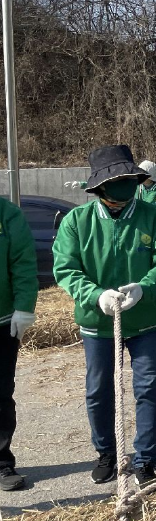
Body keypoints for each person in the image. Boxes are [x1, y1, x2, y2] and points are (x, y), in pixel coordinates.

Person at [52, 145, 156, 488]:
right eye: (116, 181)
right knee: (98, 390)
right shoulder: (77, 222)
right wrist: (96, 295)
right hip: (97, 322)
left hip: (148, 320)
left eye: (128, 179)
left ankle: (145, 460)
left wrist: (144, 288)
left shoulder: (155, 217)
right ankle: (106, 453)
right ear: (99, 186)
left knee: (149, 387)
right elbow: (66, 269)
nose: (123, 186)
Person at [0, 196, 37, 491]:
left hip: (1, 321)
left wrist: (24, 306)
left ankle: (2, 462)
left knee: (0, 395)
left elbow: (23, 263)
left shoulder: (7, 215)